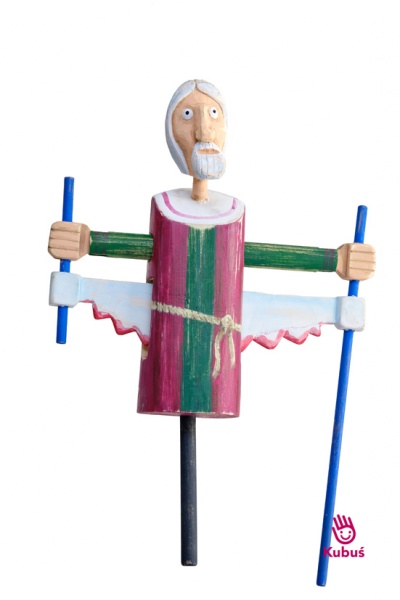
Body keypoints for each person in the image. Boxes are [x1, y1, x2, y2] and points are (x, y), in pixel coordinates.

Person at [48, 79, 375, 418]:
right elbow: (141, 249)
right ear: (171, 131)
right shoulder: (166, 207)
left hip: (223, 349)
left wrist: (339, 262)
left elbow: (259, 255)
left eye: (213, 114)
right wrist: (83, 242)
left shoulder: (232, 211)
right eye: (188, 115)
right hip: (167, 350)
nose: (203, 130)